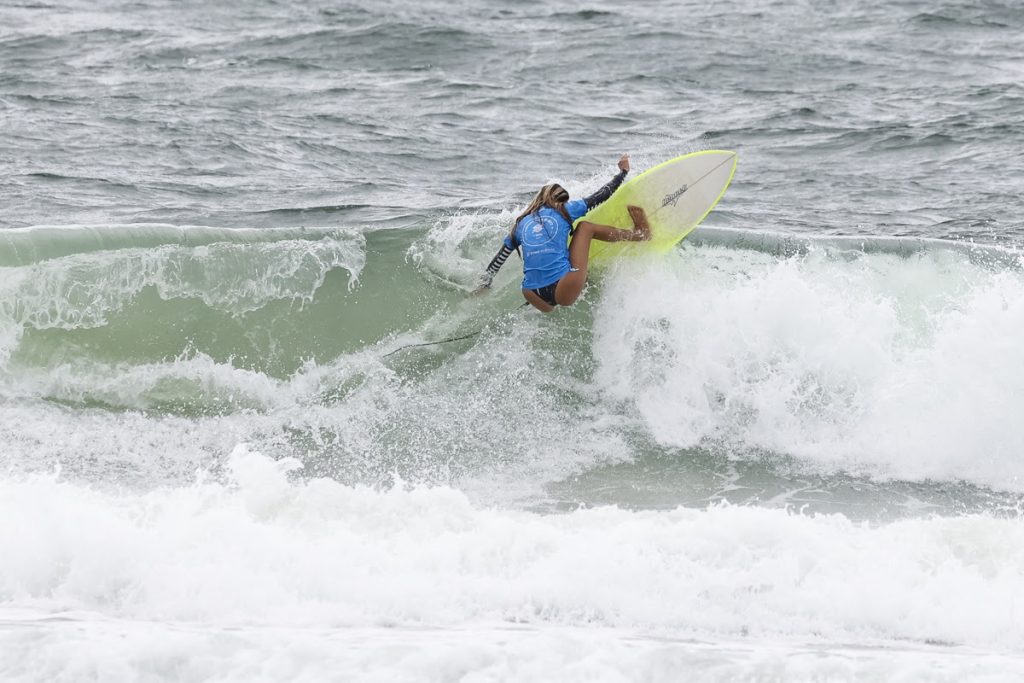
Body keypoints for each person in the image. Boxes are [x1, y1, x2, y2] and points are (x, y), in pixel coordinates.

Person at [478, 153, 650, 312]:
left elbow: (499, 259)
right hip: (564, 288)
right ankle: (640, 234)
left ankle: (578, 282)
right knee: (584, 227)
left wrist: (485, 284)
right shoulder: (564, 209)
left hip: (532, 294)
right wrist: (623, 172)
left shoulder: (520, 224)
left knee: (563, 254)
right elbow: (603, 194)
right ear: (557, 200)